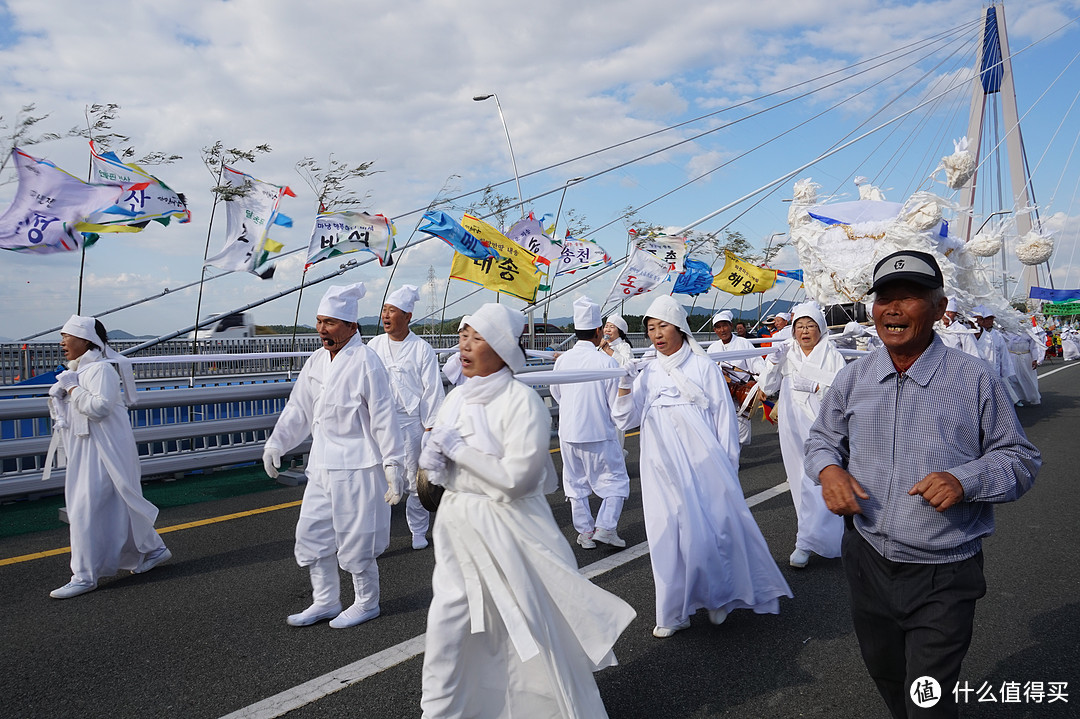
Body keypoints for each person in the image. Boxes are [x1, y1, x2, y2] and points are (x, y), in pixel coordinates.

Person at [805, 250, 1040, 719]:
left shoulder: (974, 378)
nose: (892, 309)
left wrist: (963, 479)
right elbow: (822, 440)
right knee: (888, 675)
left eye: (909, 297)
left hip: (944, 568)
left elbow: (1020, 458)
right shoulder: (855, 377)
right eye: (884, 299)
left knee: (927, 698)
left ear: (938, 307)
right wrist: (829, 471)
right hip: (868, 558)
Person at [418, 303, 635, 718]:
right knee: (448, 625)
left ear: (500, 347)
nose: (465, 346)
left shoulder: (522, 402)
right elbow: (443, 474)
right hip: (458, 528)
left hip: (510, 528)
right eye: (463, 336)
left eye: (476, 338)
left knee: (529, 625)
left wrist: (457, 451)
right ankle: (442, 711)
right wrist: (434, 464)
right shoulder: (456, 399)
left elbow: (517, 478)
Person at [612, 295, 791, 638]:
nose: (656, 334)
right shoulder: (646, 371)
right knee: (666, 532)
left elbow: (724, 418)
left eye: (663, 325)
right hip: (658, 465)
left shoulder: (703, 366)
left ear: (679, 327)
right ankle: (673, 610)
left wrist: (727, 465)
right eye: (650, 328)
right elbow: (624, 417)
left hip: (701, 463)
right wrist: (624, 381)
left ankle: (717, 597)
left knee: (706, 530)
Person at [262, 282, 405, 629]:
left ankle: (366, 602)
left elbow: (384, 416)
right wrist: (277, 443)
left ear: (351, 326)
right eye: (319, 321)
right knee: (313, 533)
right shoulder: (316, 361)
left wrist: (393, 464)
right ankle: (325, 599)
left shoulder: (366, 361)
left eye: (330, 322)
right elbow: (299, 408)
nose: (321, 329)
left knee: (357, 538)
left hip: (358, 465)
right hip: (322, 465)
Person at [45, 315, 171, 599]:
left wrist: (72, 388)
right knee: (114, 504)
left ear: (86, 339)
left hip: (104, 450)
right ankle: (153, 549)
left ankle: (84, 575)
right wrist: (62, 394)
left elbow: (99, 408)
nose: (62, 342)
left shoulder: (100, 370)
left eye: (67, 336)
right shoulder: (79, 371)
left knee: (85, 509)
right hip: (87, 448)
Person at [757, 302, 845, 568]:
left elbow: (843, 392)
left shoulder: (832, 354)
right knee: (798, 479)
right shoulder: (786, 353)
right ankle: (817, 535)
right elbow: (767, 387)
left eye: (810, 326)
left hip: (822, 424)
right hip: (791, 425)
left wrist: (817, 385)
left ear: (820, 328)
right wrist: (772, 363)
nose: (804, 331)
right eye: (800, 326)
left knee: (816, 479)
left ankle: (805, 541)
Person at [367, 284, 446, 549]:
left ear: (408, 316)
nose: (386, 316)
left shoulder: (421, 348)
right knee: (380, 482)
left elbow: (432, 390)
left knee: (414, 481)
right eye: (384, 310)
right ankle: (379, 537)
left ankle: (418, 531)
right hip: (381, 423)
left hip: (412, 424)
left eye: (392, 311)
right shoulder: (374, 345)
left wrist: (430, 429)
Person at [551, 297, 631, 549]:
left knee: (575, 484)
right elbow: (613, 402)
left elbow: (556, 393)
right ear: (598, 331)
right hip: (598, 430)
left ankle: (585, 533)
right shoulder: (604, 361)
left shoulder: (563, 360)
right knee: (615, 481)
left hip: (569, 432)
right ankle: (606, 527)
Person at [706, 309, 763, 445]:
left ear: (731, 326)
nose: (722, 330)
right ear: (715, 330)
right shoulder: (713, 348)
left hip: (741, 394)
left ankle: (734, 460)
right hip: (720, 394)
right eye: (718, 327)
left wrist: (764, 384)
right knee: (720, 428)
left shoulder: (743, 343)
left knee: (740, 431)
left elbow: (757, 363)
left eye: (725, 325)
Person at [971, 306, 1020, 405]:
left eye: (991, 319)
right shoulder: (967, 335)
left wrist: (1005, 371)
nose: (990, 321)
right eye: (987, 319)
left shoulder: (997, 335)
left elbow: (1004, 355)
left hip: (993, 369)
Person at [1004, 324, 1043, 407]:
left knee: (1028, 377)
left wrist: (1034, 359)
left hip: (1026, 358)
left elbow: (1034, 347)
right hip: (1012, 357)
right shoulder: (1007, 332)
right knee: (1012, 378)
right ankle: (1016, 398)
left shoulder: (1029, 333)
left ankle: (1032, 396)